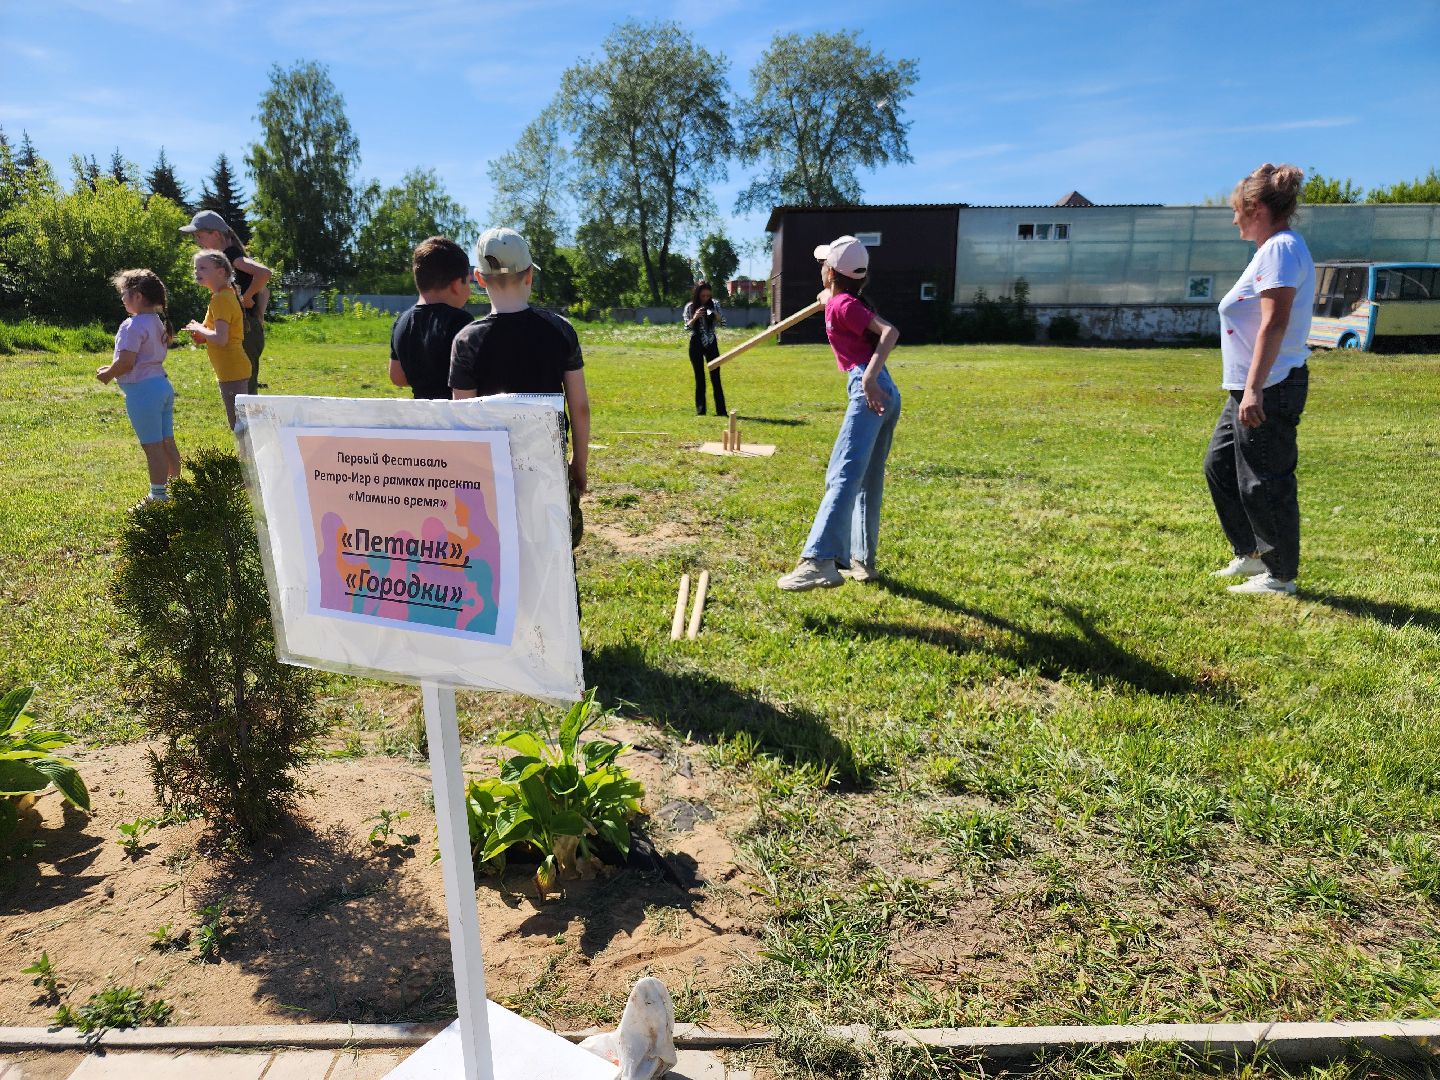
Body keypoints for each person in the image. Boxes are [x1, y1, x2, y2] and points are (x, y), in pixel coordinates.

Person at [1204, 163, 1314, 596]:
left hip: (1269, 386)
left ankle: (1280, 574)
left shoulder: (1280, 249)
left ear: (1255, 208)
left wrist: (1253, 390)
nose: (1234, 219)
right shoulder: (1272, 249)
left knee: (1266, 480)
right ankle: (1250, 554)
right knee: (1220, 467)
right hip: (1249, 387)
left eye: (1237, 210)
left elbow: (1275, 322)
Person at [450, 227, 590, 548]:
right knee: (556, 564)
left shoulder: (466, 342)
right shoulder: (560, 330)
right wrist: (578, 465)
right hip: (549, 471)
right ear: (529, 276)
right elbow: (579, 407)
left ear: (480, 279)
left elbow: (463, 419)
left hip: (492, 480)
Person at [778, 235, 901, 591]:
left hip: (870, 390)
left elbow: (890, 332)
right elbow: (835, 301)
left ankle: (819, 560)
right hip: (885, 392)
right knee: (865, 478)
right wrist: (828, 296)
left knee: (843, 474)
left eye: (822, 264)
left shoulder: (843, 305)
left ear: (831, 271)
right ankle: (861, 560)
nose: (820, 269)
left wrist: (869, 376)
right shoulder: (841, 300)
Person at [96, 269, 180, 503]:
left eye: (124, 294)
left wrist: (108, 374)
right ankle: (176, 491)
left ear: (138, 296)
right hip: (161, 386)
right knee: (167, 442)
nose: (122, 299)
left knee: (152, 448)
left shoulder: (131, 326)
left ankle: (158, 496)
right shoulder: (156, 321)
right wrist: (113, 368)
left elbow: (126, 362)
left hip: (143, 393)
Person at [180, 210, 271, 396]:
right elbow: (265, 292)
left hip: (247, 331)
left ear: (216, 234)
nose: (198, 242)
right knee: (244, 388)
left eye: (200, 236)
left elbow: (264, 274)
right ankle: (244, 424)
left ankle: (247, 425)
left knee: (245, 391)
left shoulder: (231, 256)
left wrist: (246, 298)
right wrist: (258, 315)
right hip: (246, 328)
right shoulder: (230, 257)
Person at [389, 236, 475, 400]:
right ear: (457, 284)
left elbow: (397, 377)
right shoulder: (461, 322)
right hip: (454, 418)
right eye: (468, 283)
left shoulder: (401, 322)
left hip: (421, 418)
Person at [184, 250, 251, 430]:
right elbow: (213, 336)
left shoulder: (221, 299)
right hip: (232, 369)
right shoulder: (223, 296)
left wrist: (199, 328)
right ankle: (248, 457)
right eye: (196, 268)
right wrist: (201, 334)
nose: (197, 272)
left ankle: (247, 458)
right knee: (240, 424)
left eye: (203, 268)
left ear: (221, 272)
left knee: (239, 425)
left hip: (232, 370)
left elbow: (221, 339)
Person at [681, 281, 726, 415]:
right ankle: (701, 411)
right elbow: (686, 327)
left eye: (708, 296)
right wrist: (695, 318)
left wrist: (715, 315)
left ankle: (721, 411)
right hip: (696, 343)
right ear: (697, 295)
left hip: (711, 342)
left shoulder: (715, 304)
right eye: (702, 296)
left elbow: (723, 323)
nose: (705, 298)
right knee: (699, 378)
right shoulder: (689, 307)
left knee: (716, 377)